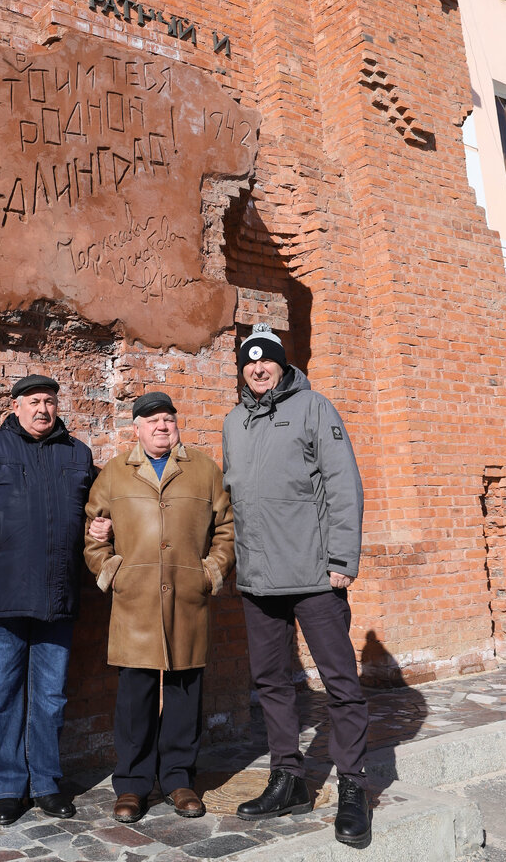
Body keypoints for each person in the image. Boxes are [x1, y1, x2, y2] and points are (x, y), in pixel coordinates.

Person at [222, 326, 371, 849]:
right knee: (271, 683)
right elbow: (234, 500)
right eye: (249, 363)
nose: (258, 369)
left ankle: (353, 785)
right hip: (260, 578)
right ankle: (288, 778)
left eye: (267, 362)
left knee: (340, 682)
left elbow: (342, 483)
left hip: (314, 573)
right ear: (241, 369)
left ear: (283, 366)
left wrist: (341, 558)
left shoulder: (314, 407)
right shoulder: (233, 422)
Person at [0, 374, 110, 826]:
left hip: (58, 596)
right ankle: (9, 787)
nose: (43, 409)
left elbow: (99, 505)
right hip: (2, 597)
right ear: (15, 406)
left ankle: (46, 784)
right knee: (2, 695)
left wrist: (102, 525)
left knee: (51, 697)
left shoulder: (76, 454)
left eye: (50, 401)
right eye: (34, 401)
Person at [84, 391, 235, 824]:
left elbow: (225, 529)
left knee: (186, 692)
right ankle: (131, 785)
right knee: (135, 697)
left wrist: (211, 573)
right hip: (136, 602)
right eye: (152, 421)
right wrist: (112, 572)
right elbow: (94, 532)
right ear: (137, 428)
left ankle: (178, 779)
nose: (162, 427)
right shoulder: (115, 473)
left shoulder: (203, 470)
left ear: (176, 424)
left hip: (188, 598)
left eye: (168, 419)